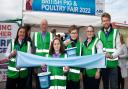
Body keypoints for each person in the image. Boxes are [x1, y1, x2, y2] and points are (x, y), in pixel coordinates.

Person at [97, 12, 121, 89]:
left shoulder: (115, 32)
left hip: (113, 64)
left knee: (114, 86)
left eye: (107, 20)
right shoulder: (99, 33)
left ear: (110, 21)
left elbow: (119, 48)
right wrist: (102, 54)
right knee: (105, 86)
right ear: (102, 22)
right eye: (104, 21)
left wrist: (112, 55)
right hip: (104, 65)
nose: (105, 22)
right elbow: (99, 48)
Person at [33, 18, 53, 89]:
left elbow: (52, 51)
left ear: (47, 26)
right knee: (38, 85)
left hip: (48, 65)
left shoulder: (51, 35)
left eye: (45, 24)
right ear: (40, 26)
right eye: (42, 24)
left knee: (47, 86)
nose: (44, 26)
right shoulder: (35, 35)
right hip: (38, 66)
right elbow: (33, 52)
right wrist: (37, 64)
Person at [64, 25, 81, 89]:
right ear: (69, 33)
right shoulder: (65, 44)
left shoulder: (81, 45)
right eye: (72, 33)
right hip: (67, 74)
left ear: (77, 34)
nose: (74, 34)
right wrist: (64, 46)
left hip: (76, 74)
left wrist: (81, 72)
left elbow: (83, 59)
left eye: (75, 33)